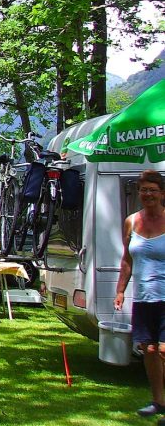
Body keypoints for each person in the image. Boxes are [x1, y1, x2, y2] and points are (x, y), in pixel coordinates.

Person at [114, 169, 165, 419]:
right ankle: (158, 401)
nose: (148, 194)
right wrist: (120, 290)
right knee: (150, 351)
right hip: (144, 298)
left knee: (163, 350)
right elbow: (127, 259)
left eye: (152, 190)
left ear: (162, 193)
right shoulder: (131, 221)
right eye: (144, 190)